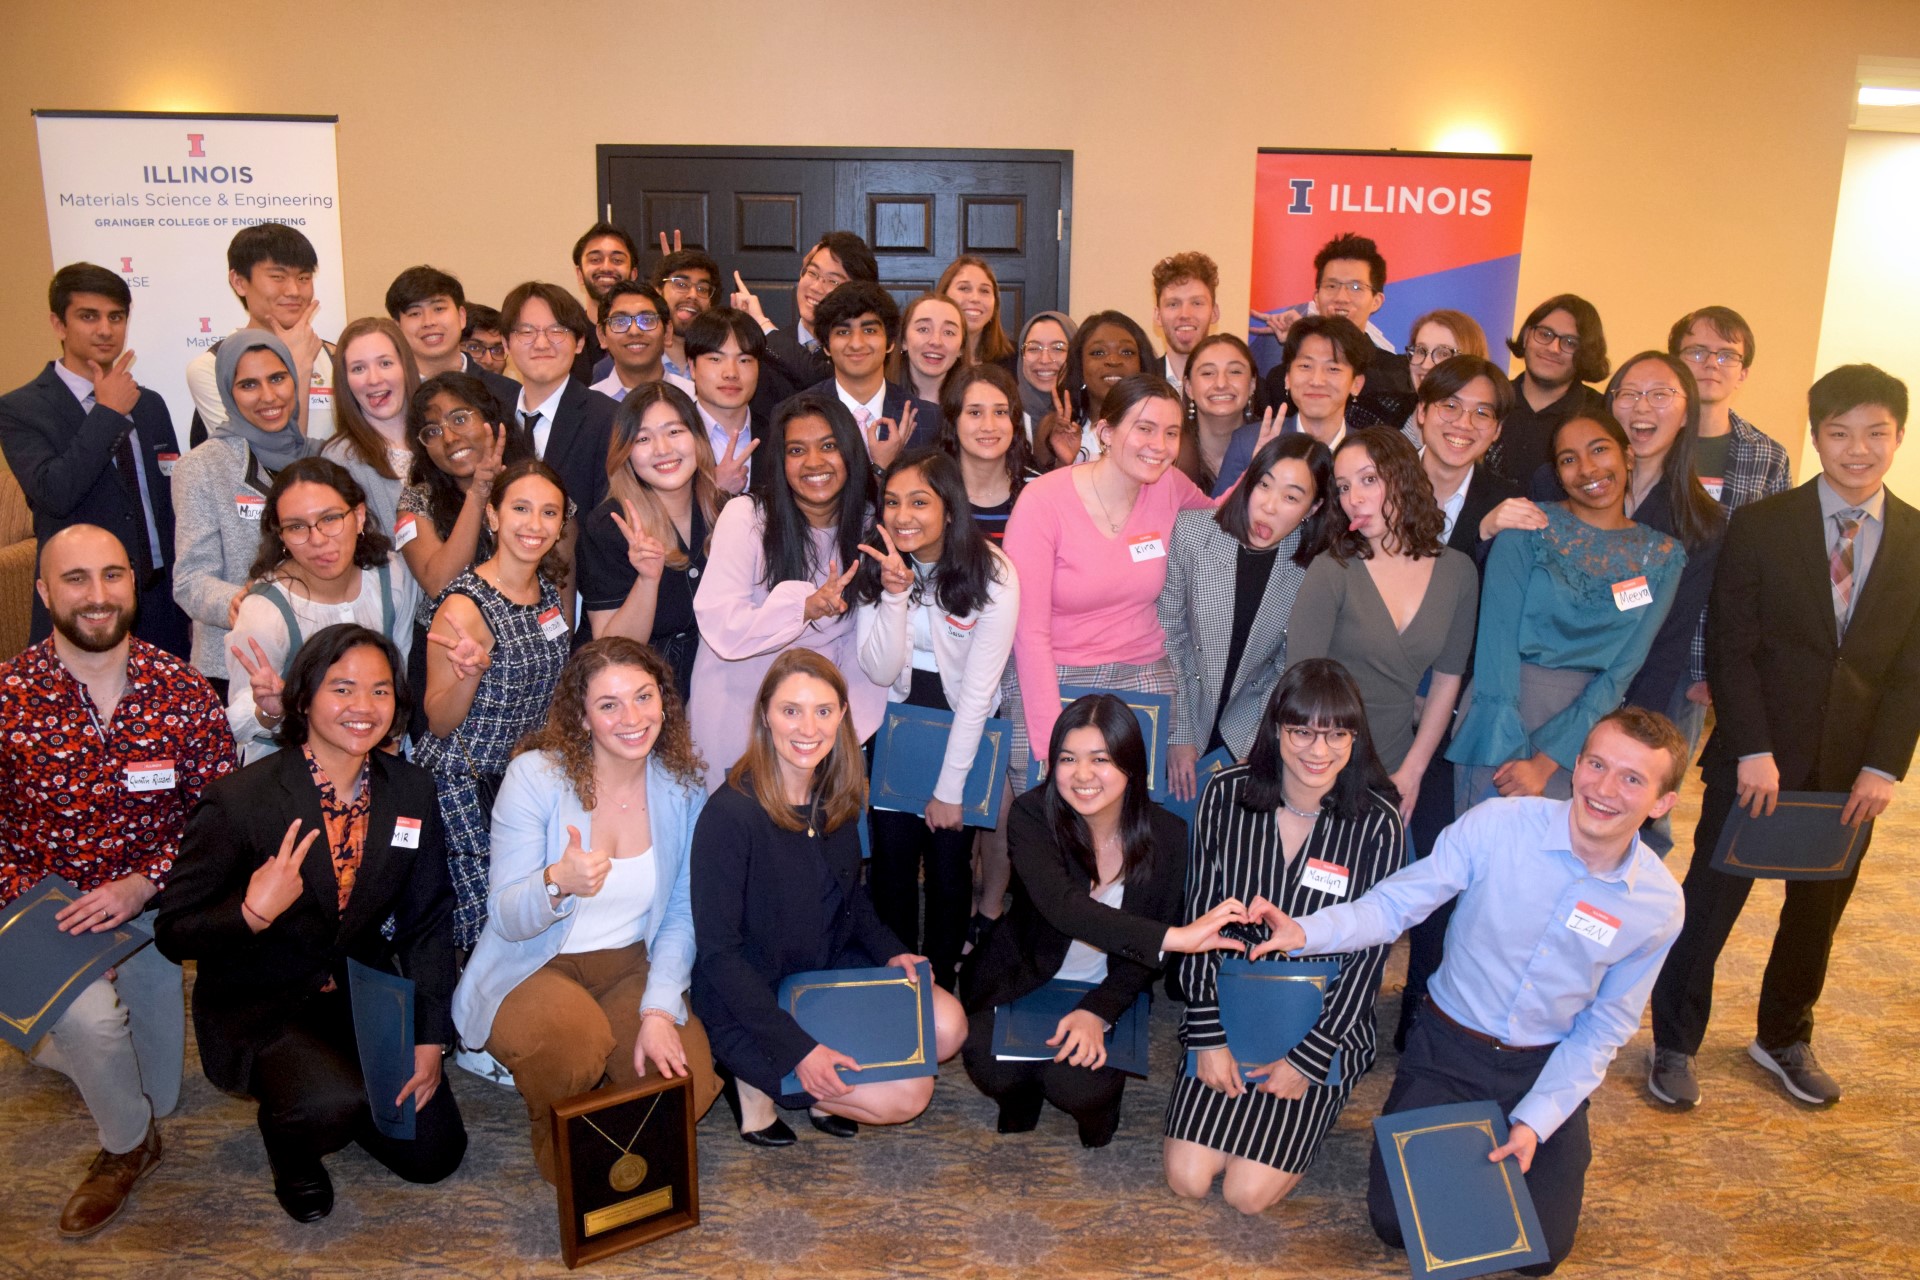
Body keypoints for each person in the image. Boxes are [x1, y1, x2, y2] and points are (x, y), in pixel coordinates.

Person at [1257, 708, 1689, 1275]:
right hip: (1448, 1049)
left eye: (1632, 779)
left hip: (1544, 1065)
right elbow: (1396, 904)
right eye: (1597, 765)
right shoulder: (1499, 826)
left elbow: (1606, 1026)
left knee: (1541, 1254)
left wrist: (1536, 1120)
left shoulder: (1658, 905)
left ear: (1662, 803)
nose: (1604, 790)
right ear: (1577, 765)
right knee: (1396, 1226)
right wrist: (1305, 932)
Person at [1648, 365, 1920, 1111]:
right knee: (1710, 904)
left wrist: (1884, 766)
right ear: (1816, 436)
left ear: (1898, 437)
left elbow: (1911, 673)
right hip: (1756, 757)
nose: (1856, 449)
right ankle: (1674, 1043)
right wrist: (1754, 747)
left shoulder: (1918, 540)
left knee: (1818, 910)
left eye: (1873, 433)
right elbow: (1732, 644)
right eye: (1838, 433)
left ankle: (1784, 1035)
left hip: (1851, 769)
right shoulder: (1764, 526)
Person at [156, 624, 466, 1222]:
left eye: (380, 692)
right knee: (329, 1101)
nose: (362, 708)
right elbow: (174, 932)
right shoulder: (241, 800)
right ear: (303, 698)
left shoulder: (409, 791)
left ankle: (342, 1099)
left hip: (358, 993)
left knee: (435, 1154)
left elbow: (428, 920)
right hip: (265, 1001)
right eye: (342, 688)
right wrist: (250, 912)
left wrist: (429, 1035)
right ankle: (292, 1146)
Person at [0, 525, 234, 1237]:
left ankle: (52, 1042)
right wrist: (36, 918)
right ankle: (125, 1147)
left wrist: (144, 883)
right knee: (101, 1037)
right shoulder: (8, 697)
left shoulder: (183, 689)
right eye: (76, 579)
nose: (97, 596)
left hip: (143, 914)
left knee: (157, 1091)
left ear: (135, 584)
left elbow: (218, 816)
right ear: (44, 592)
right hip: (43, 911)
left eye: (112, 576)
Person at [452, 637, 723, 1182]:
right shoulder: (536, 776)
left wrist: (657, 1009)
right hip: (534, 962)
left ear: (665, 703)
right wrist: (556, 883)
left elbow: (680, 915)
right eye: (609, 704)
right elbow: (505, 915)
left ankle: (604, 1116)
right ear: (581, 718)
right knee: (573, 1047)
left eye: (644, 697)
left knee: (684, 1080)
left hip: (629, 962)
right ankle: (568, 1151)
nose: (632, 717)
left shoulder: (683, 788)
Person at [691, 650, 968, 1144]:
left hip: (825, 970)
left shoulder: (836, 792)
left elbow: (851, 899)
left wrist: (889, 952)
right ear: (765, 716)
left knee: (949, 1026)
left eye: (823, 711)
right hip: (757, 998)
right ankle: (760, 1079)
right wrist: (800, 1050)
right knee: (907, 1096)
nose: (808, 727)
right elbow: (718, 956)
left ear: (842, 715)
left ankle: (823, 1076)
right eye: (790, 710)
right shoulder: (730, 814)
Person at [1164, 659, 1405, 1213]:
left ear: (1355, 737)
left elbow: (1369, 958)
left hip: (1321, 1020)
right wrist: (1207, 1035)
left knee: (1246, 1194)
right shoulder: (1225, 794)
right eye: (1302, 731)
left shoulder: (1377, 821)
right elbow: (1200, 918)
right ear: (1276, 729)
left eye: (1337, 733)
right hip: (1227, 1010)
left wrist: (1310, 1058)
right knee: (1189, 1178)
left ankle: (1314, 1093)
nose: (1318, 752)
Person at [960, 693, 1250, 1147]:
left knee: (1076, 1083)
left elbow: (1143, 958)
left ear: (1131, 765)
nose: (1082, 775)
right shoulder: (1033, 815)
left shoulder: (1168, 837)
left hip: (1108, 984)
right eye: (1067, 758)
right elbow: (1063, 907)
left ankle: (1099, 1116)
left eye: (1101, 759)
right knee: (987, 1060)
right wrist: (1174, 937)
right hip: (1028, 972)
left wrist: (1100, 1010)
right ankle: (1018, 1103)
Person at [1446, 413, 1685, 812]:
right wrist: (1514, 752)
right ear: (1557, 473)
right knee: (1488, 862)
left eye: (1599, 449)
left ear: (1627, 456)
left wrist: (1547, 761)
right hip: (1500, 715)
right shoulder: (1527, 528)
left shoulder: (1661, 557)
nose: (1588, 468)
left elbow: (1623, 669)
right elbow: (1496, 641)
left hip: (1589, 736)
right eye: (1569, 459)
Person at [1398, 355, 1533, 1048]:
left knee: (1438, 869)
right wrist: (1470, 539)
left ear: (1496, 430)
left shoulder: (1511, 502)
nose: (1463, 423)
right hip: (1376, 702)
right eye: (1451, 406)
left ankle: (1421, 1019)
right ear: (1422, 410)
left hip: (1457, 713)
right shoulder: (1376, 476)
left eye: (1482, 412)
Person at [1002, 374, 1218, 791]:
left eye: (1171, 433)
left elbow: (1225, 520)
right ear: (1105, 431)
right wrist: (1052, 744)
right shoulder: (1043, 501)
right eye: (1144, 428)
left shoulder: (1169, 486)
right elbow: (1029, 632)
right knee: (1053, 822)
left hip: (1143, 674)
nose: (1159, 445)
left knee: (1132, 827)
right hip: (1055, 674)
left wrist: (1263, 474)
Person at [854, 449, 1020, 990]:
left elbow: (978, 692)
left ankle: (944, 980)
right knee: (891, 866)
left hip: (962, 727)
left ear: (950, 509)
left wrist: (950, 788)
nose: (904, 515)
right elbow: (879, 671)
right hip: (898, 724)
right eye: (894, 501)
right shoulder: (878, 563)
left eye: (920, 502)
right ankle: (896, 981)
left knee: (950, 869)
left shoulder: (993, 572)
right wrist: (895, 595)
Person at [686, 395, 886, 790]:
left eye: (828, 446)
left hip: (814, 730)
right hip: (734, 710)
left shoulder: (868, 525)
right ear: (780, 460)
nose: (814, 462)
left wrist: (835, 736)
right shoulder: (747, 517)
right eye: (797, 450)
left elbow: (864, 652)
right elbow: (722, 625)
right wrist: (804, 607)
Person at [415, 460, 573, 953]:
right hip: (466, 788)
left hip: (524, 784)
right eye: (521, 508)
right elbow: (438, 722)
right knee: (478, 926)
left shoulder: (546, 592)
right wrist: (469, 674)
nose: (534, 524)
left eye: (549, 513)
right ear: (493, 516)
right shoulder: (463, 605)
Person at [1286, 428, 1480, 818]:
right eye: (1342, 487)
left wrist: (1414, 770)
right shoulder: (1332, 569)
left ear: (1404, 477)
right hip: (1317, 759)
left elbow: (1447, 680)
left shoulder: (1458, 571)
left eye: (1368, 480)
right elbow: (1299, 682)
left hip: (1397, 764)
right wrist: (1320, 763)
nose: (1353, 499)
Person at [0, 263, 190, 657]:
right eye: (89, 316)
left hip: (160, 604)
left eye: (116, 317)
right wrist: (106, 414)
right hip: (85, 606)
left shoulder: (149, 403)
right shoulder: (20, 409)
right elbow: (54, 493)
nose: (105, 329)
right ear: (59, 324)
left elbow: (171, 500)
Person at [1160, 434, 1333, 786]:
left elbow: (1286, 665)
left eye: (1291, 497)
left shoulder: (1312, 566)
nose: (1269, 506)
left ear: (1312, 509)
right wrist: (1178, 735)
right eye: (1264, 486)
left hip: (1247, 719)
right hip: (1182, 707)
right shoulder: (1193, 532)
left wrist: (1258, 740)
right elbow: (1168, 636)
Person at [1662, 306, 1793, 764]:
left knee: (1657, 785)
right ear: (1675, 360)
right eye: (1696, 351)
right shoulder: (1643, 439)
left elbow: (1773, 573)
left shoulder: (1768, 457)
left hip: (1703, 651)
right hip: (1628, 635)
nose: (1710, 364)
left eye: (1726, 355)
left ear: (1744, 372)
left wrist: (1723, 667)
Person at [224, 457, 419, 761]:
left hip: (376, 763)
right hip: (289, 774)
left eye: (330, 519)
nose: (317, 540)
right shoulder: (264, 612)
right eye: (297, 526)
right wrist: (269, 710)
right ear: (282, 536)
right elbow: (237, 723)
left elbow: (401, 670)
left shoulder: (393, 576)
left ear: (358, 516)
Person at [170, 330, 315, 694]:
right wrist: (236, 601)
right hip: (236, 664)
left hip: (316, 658)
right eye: (249, 384)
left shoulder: (322, 458)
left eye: (278, 379)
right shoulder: (202, 467)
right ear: (227, 393)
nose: (268, 396)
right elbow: (190, 580)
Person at [1602, 353, 1727, 761]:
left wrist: (1634, 724)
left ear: (1688, 414)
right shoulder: (1561, 482)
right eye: (1629, 394)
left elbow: (1671, 637)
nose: (1641, 406)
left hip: (1635, 694)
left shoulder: (1700, 521)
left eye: (1660, 394)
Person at [580, 382, 726, 696]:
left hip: (716, 690)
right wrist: (647, 580)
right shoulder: (609, 526)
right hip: (637, 697)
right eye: (643, 438)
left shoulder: (728, 511)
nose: (662, 449)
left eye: (674, 432)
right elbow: (611, 651)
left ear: (699, 439)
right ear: (625, 452)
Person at [184, 223, 335, 446]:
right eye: (278, 277)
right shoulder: (211, 367)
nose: (293, 291)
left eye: (303, 278)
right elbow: (256, 458)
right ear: (239, 282)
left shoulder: (334, 355)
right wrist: (297, 367)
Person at [1256, 233, 1410, 429]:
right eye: (1331, 285)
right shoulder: (1281, 378)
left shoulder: (1396, 374)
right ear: (1316, 298)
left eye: (1355, 287)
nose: (1341, 297)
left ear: (1376, 301)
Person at [498, 282, 619, 525]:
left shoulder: (608, 418)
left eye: (557, 331)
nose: (542, 343)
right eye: (526, 331)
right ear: (505, 344)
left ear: (580, 342)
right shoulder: (492, 415)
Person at [730, 231, 878, 409]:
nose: (816, 287)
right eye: (813, 273)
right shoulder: (765, 346)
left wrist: (762, 324)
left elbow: (820, 377)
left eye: (833, 281)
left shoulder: (860, 351)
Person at [802, 281, 940, 469]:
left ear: (890, 343)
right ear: (826, 346)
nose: (857, 343)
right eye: (843, 332)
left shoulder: (927, 418)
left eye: (869, 330)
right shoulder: (798, 415)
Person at [1483, 295, 1610, 487]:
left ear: (1585, 353)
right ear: (1526, 336)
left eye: (1570, 343)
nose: (1553, 348)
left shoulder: (1603, 415)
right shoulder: (1488, 400)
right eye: (1544, 334)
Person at [321, 316, 419, 536]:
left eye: (385, 363)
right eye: (358, 369)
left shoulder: (437, 438)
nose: (374, 379)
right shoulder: (340, 459)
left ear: (405, 367)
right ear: (345, 380)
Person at [383, 265, 522, 413]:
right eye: (414, 313)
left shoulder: (508, 393)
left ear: (461, 317)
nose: (429, 322)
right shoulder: (387, 397)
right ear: (398, 328)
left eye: (439, 309)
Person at [937, 362, 1036, 543]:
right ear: (954, 420)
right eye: (975, 413)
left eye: (1000, 412)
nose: (989, 426)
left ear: (1014, 421)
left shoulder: (1039, 490)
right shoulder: (931, 490)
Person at [1044, 311, 1155, 467]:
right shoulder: (1053, 428)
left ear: (1142, 365)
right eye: (1098, 352)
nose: (1113, 360)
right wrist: (1063, 462)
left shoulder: (1163, 429)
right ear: (1080, 366)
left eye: (1127, 352)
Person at [684, 306, 769, 495]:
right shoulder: (672, 437)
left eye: (744, 360)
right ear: (692, 367)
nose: (731, 373)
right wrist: (715, 491)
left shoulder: (779, 434)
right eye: (715, 359)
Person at [1177, 334, 1272, 497]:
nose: (1221, 384)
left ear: (1252, 384)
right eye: (1208, 373)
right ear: (1188, 387)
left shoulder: (1273, 443)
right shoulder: (1171, 449)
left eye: (1235, 372)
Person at [1274, 315, 1371, 450]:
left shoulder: (1373, 455)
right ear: (1287, 378)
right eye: (1306, 366)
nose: (1316, 381)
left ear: (1356, 384)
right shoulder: (1250, 444)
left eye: (1333, 369)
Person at [589, 280, 692, 403]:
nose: (634, 331)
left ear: (667, 333)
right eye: (620, 321)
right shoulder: (587, 406)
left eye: (647, 320)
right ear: (602, 336)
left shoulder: (694, 398)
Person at [1399, 308, 1489, 441]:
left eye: (1443, 353)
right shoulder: (1376, 413)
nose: (1425, 365)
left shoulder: (1486, 441)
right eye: (1420, 350)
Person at [570, 222, 639, 384]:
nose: (606, 267)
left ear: (633, 274)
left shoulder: (647, 336)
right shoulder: (567, 343)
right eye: (595, 259)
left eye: (617, 260)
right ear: (579, 274)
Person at [651, 248, 722, 384]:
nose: (693, 295)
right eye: (681, 284)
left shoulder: (723, 365)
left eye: (702, 289)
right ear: (658, 292)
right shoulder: (637, 360)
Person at [1152, 252, 1220, 390]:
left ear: (1214, 313)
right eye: (1173, 304)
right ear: (1158, 315)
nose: (1185, 314)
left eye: (1196, 303)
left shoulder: (1239, 387)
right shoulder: (1140, 383)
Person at [890, 292, 969, 407]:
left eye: (948, 332)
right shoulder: (879, 401)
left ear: (961, 347)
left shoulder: (974, 404)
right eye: (923, 329)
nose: (936, 341)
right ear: (904, 341)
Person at [937, 255, 1015, 365]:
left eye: (984, 291)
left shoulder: (1016, 360)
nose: (975, 298)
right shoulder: (929, 356)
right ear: (943, 296)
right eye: (964, 288)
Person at [1014, 310, 1076, 444]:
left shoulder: (1089, 417)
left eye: (1058, 348)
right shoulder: (1003, 414)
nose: (1044, 360)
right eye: (1034, 348)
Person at [461, 304, 509, 377]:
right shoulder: (438, 387)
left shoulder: (514, 388)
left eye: (498, 350)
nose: (488, 361)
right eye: (474, 348)